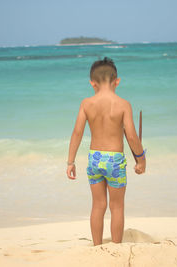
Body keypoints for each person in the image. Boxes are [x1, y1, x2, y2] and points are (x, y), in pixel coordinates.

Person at [66, 57, 146, 246]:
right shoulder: (123, 104)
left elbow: (77, 133)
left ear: (92, 83)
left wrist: (70, 162)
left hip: (94, 159)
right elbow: (132, 137)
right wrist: (141, 160)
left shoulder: (86, 104)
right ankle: (116, 247)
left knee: (98, 205)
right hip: (114, 161)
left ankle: (97, 246)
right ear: (117, 81)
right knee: (117, 207)